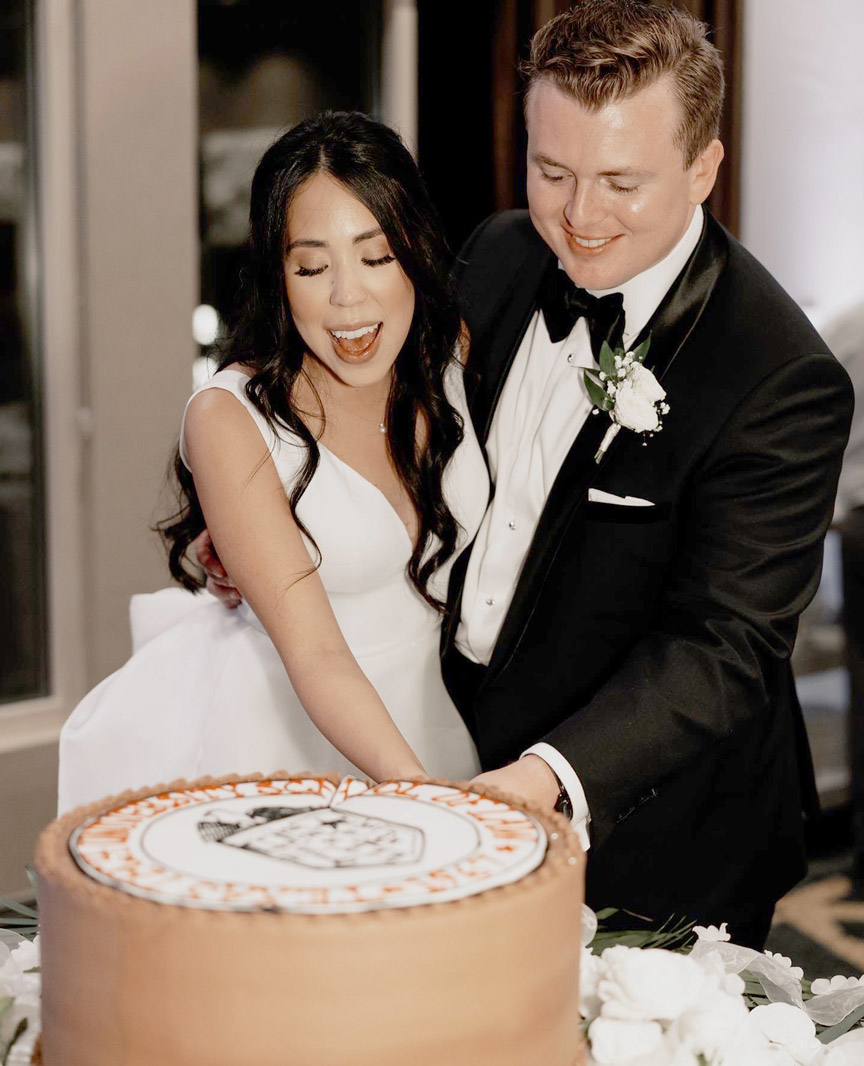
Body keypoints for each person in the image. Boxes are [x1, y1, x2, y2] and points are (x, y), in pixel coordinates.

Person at [57, 111, 489, 814]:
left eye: (376, 257)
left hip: (430, 728)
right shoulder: (230, 420)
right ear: (278, 276)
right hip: (283, 750)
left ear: (417, 250)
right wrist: (423, 799)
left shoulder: (449, 356)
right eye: (313, 266)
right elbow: (317, 655)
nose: (347, 297)